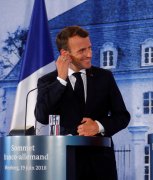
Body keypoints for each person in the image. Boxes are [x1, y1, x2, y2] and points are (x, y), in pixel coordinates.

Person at [35, 26, 130, 180]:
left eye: (90, 48)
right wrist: (61, 80)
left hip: (101, 165)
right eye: (82, 51)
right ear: (65, 54)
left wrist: (98, 126)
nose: (89, 54)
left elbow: (122, 116)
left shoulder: (104, 77)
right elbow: (42, 116)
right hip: (63, 163)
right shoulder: (48, 81)